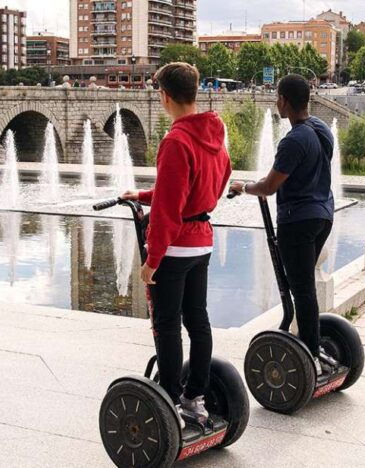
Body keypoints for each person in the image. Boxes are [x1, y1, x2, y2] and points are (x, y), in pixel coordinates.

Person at [121, 62, 232, 425]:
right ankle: (195, 398)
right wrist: (142, 195)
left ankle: (170, 401)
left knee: (166, 324)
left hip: (176, 247)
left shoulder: (176, 140)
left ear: (165, 96)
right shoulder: (214, 134)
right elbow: (208, 185)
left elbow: (170, 208)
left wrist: (152, 260)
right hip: (202, 243)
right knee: (198, 320)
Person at [229, 74, 337, 379]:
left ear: (284, 101)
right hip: (323, 215)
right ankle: (312, 344)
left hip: (298, 220)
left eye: (278, 96)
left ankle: (311, 354)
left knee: (301, 289)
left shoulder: (294, 140)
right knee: (302, 285)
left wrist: (243, 186)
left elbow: (269, 187)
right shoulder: (321, 129)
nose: (276, 101)